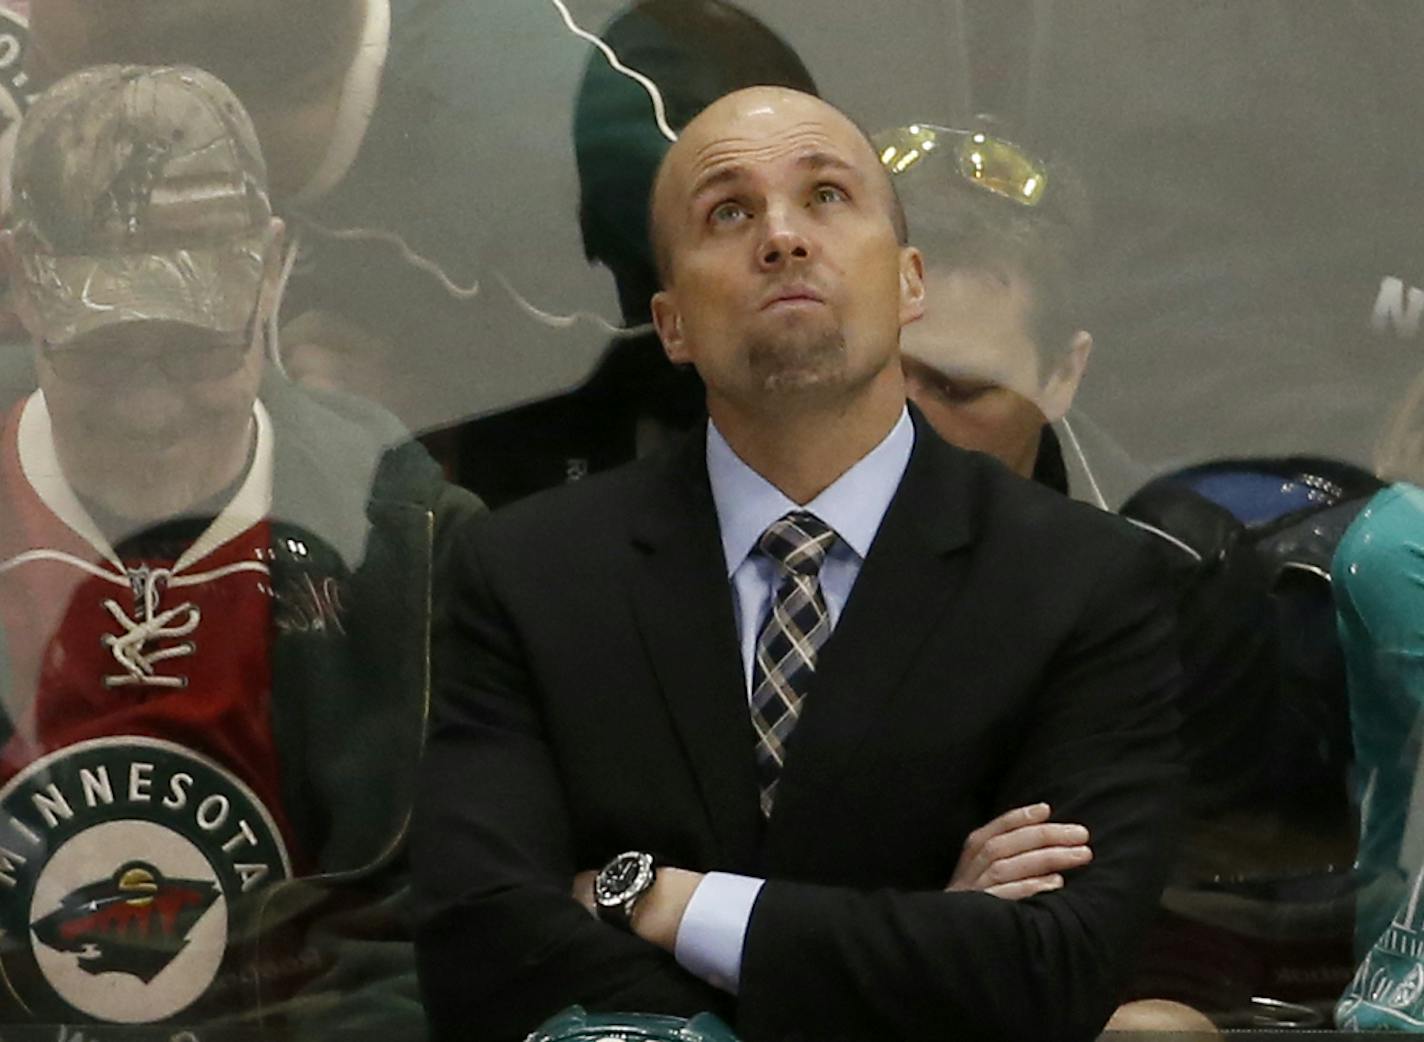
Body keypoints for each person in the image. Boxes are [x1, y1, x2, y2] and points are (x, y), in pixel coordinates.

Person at [413, 85, 1182, 1042]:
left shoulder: (1084, 582)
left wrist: (659, 899)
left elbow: (1054, 968)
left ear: (910, 282)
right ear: (671, 323)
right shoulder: (525, 574)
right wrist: (932, 947)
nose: (781, 237)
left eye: (825, 196)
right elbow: (479, 948)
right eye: (728, 213)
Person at [0, 64, 481, 1030]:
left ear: (273, 268)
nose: (149, 402)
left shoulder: (406, 548)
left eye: (193, 346)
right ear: (20, 286)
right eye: (102, 348)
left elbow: (421, 934)